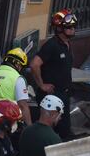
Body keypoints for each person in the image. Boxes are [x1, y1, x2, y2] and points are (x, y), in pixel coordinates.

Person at [30, 9, 77, 139]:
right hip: (52, 95)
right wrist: (41, 85)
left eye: (74, 26)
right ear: (59, 29)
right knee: (54, 130)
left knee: (65, 129)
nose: (73, 29)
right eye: (69, 27)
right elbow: (34, 64)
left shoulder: (67, 44)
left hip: (64, 93)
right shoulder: (51, 45)